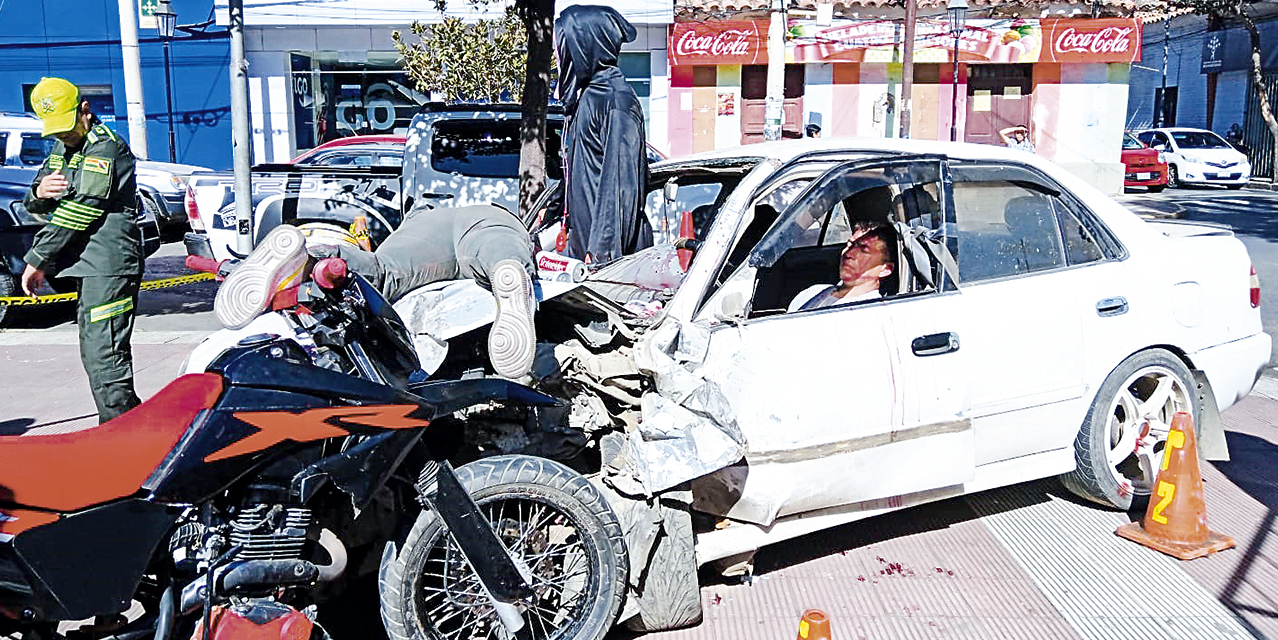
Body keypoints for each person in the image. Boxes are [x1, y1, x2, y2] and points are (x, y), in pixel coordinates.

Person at [215, 204, 539, 380]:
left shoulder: (420, 217)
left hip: (429, 228)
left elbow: (378, 272)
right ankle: (507, 270)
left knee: (382, 271)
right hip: (495, 221)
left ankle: (313, 255)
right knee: (497, 250)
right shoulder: (507, 219)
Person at [21, 77, 144, 423]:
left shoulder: (106, 148)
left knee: (105, 354)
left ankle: (122, 437)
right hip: (87, 266)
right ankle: (133, 427)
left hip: (109, 264)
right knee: (96, 354)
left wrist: (37, 259)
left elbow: (81, 208)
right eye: (55, 129)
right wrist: (41, 191)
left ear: (85, 111)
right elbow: (37, 202)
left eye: (66, 125)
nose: (62, 135)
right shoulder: (64, 149)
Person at [554, 5, 653, 265]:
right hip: (583, 256)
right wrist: (550, 207)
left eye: (563, 46)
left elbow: (619, 184)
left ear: (585, 47)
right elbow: (578, 170)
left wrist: (600, 252)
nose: (558, 56)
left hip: (607, 265)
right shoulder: (588, 97)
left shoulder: (616, 101)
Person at [787, 223, 896, 313]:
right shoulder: (813, 292)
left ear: (885, 269)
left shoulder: (872, 312)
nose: (848, 253)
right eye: (849, 245)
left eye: (863, 250)